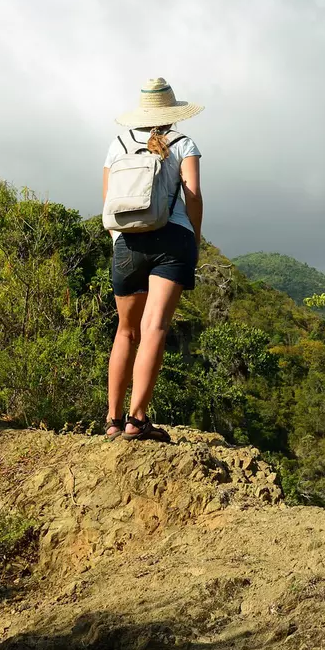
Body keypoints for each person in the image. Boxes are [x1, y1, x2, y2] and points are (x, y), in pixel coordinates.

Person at [102, 78, 204, 441]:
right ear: (172, 112)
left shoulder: (118, 144)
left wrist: (119, 241)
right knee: (154, 328)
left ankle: (113, 421)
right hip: (172, 240)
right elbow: (192, 195)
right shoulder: (184, 144)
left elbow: (108, 200)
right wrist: (195, 234)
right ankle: (137, 420)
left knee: (125, 331)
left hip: (128, 242)